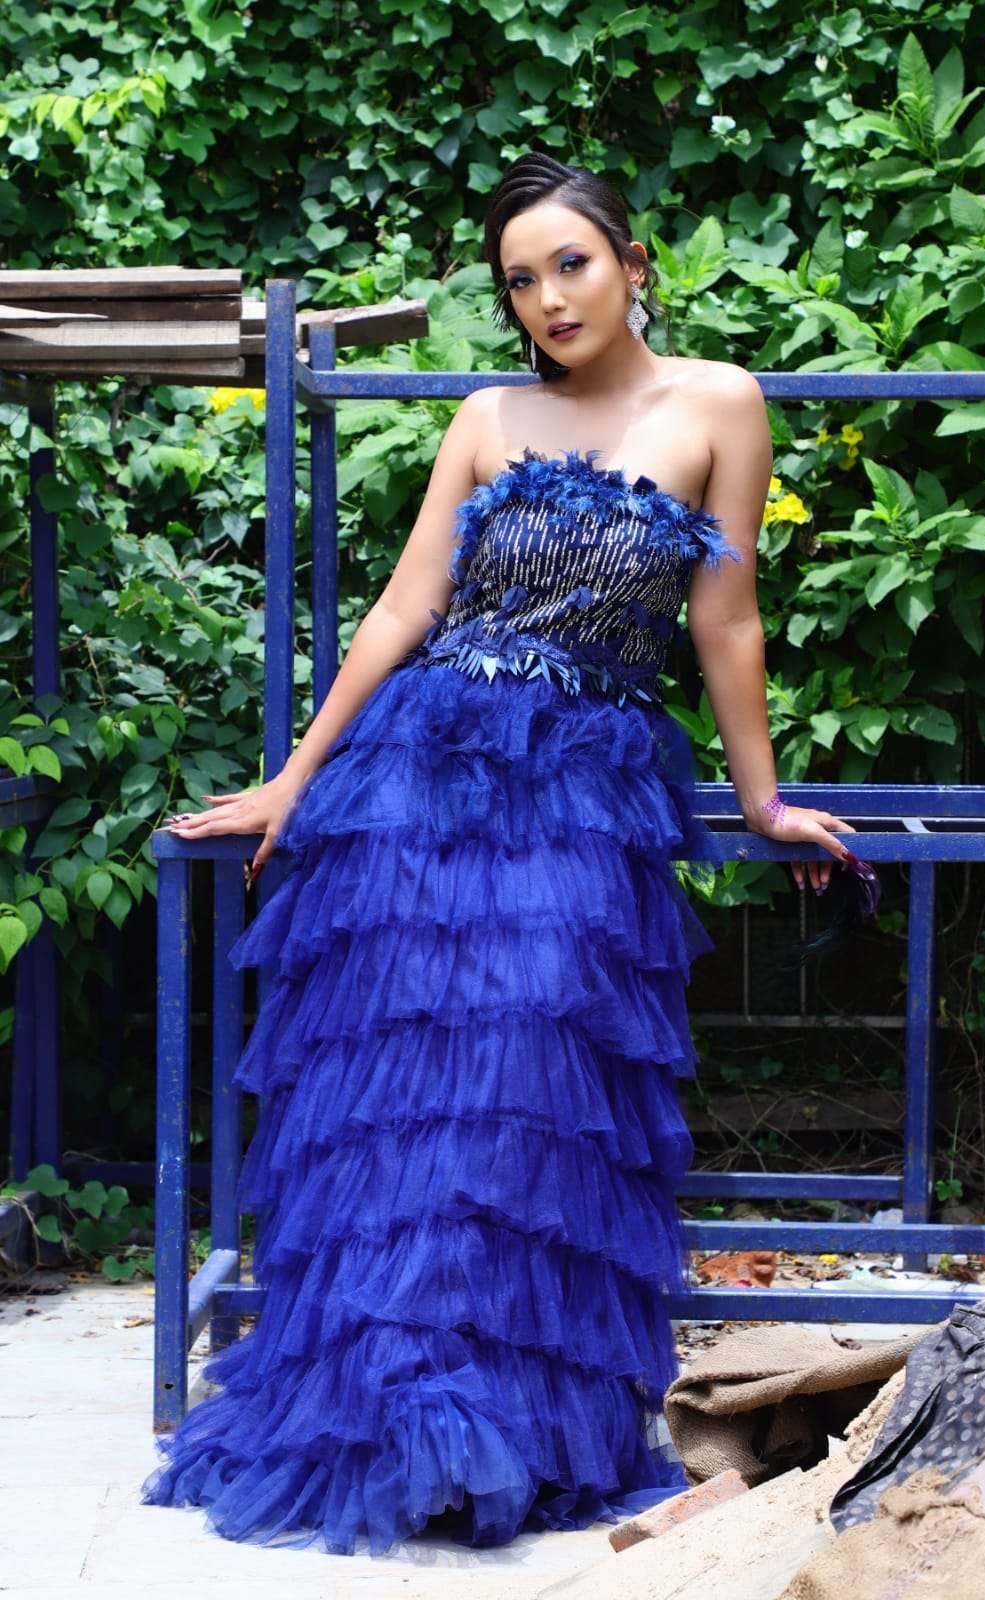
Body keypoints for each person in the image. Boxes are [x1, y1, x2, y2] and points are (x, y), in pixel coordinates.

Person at [140, 150, 865, 1558]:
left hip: (587, 791)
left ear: (631, 262)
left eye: (569, 265)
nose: (548, 299)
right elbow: (405, 606)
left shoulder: (719, 402)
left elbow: (724, 621)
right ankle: (401, 1412)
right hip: (421, 781)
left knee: (530, 1082)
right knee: (408, 1103)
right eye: (521, 280)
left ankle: (513, 1426)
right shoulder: (487, 415)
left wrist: (764, 801)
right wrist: (294, 778)